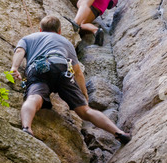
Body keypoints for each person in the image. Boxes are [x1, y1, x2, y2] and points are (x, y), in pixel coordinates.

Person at [11, 15, 131, 145]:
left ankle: (27, 128)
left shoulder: (29, 38)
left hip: (38, 69)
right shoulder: (65, 42)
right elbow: (77, 72)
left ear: (40, 29)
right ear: (59, 31)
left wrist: (14, 68)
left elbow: (19, 51)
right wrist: (84, 93)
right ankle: (119, 133)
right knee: (85, 111)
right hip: (61, 68)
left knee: (34, 98)